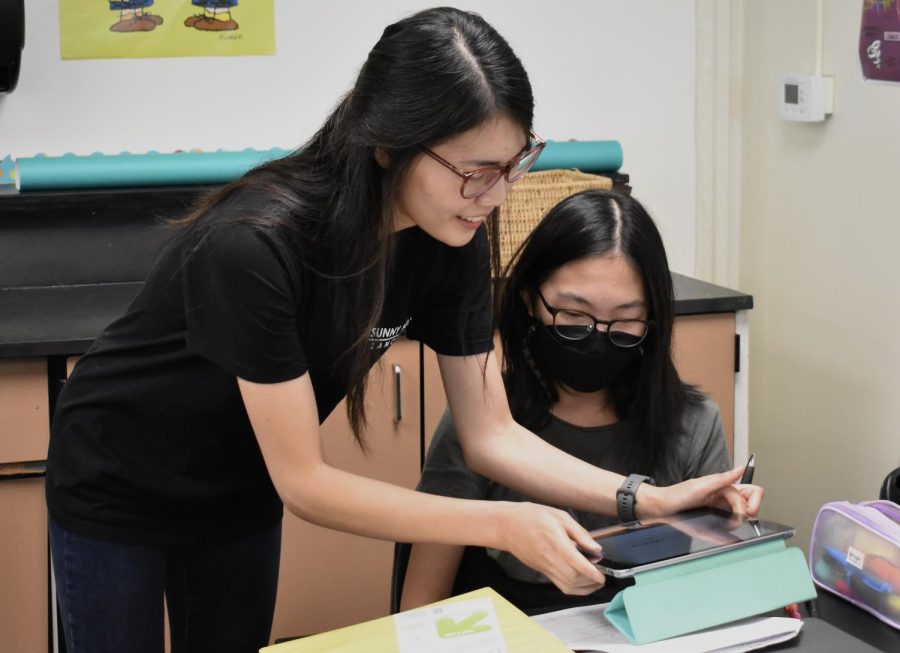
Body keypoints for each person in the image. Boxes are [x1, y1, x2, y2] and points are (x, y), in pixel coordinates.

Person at [46, 8, 756, 652]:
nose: (497, 195)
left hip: (240, 491)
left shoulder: (452, 237)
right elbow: (307, 482)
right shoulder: (255, 246)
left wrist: (645, 497)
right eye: (475, 171)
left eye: (513, 165)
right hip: (121, 479)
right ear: (387, 146)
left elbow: (491, 433)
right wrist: (501, 523)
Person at [401, 189, 764, 611]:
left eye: (626, 319)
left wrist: (736, 528)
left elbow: (716, 595)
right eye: (574, 315)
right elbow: (421, 604)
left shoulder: (692, 422)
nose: (596, 336)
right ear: (529, 300)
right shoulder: (484, 422)